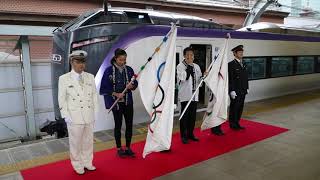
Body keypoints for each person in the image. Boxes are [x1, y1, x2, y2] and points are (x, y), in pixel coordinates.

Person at [58, 50, 98, 175]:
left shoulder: (90, 77)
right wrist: (65, 115)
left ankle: (87, 162)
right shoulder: (64, 79)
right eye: (78, 62)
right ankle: (77, 164)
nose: (81, 65)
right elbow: (62, 99)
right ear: (72, 62)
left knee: (88, 141)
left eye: (83, 62)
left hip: (88, 115)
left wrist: (95, 113)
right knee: (75, 143)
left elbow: (94, 97)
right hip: (74, 117)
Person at [100, 48, 138, 157]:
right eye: (121, 59)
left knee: (129, 125)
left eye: (124, 60)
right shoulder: (108, 71)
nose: (123, 62)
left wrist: (132, 85)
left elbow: (135, 83)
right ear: (115, 58)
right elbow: (103, 88)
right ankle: (119, 148)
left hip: (128, 102)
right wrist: (115, 94)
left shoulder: (129, 70)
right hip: (116, 103)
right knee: (118, 125)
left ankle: (128, 147)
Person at [177, 47, 202, 144]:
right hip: (185, 96)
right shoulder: (180, 66)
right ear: (184, 56)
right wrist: (189, 68)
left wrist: (204, 76)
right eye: (187, 55)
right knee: (184, 116)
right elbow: (183, 78)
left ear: (193, 56)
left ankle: (191, 134)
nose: (189, 57)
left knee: (192, 116)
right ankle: (183, 135)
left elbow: (199, 79)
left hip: (194, 95)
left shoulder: (196, 66)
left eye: (191, 55)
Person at [228, 45, 249, 130]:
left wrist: (247, 87)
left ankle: (237, 123)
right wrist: (231, 90)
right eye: (239, 52)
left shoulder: (244, 63)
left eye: (242, 52)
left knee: (240, 107)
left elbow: (246, 77)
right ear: (234, 53)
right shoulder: (231, 65)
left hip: (243, 90)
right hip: (235, 91)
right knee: (234, 108)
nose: (241, 54)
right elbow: (230, 79)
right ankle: (232, 124)